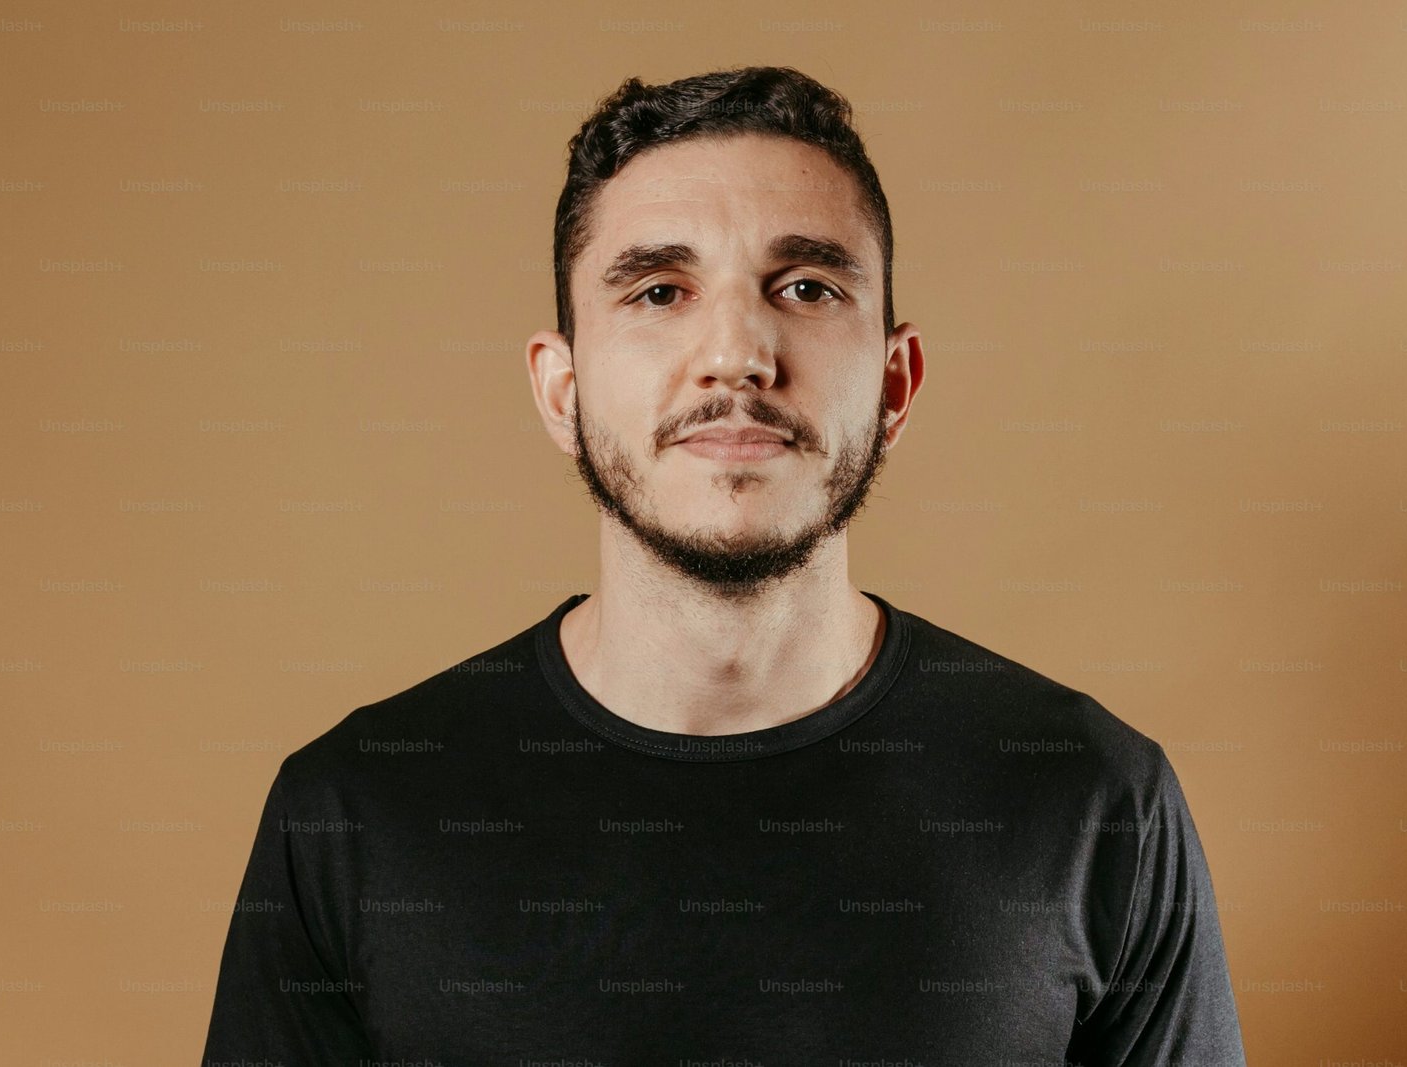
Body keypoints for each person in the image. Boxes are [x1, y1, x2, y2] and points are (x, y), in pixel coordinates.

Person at [202, 65, 1249, 1065]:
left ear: (894, 384)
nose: (737, 354)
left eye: (806, 286)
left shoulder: (1089, 798)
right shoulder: (355, 812)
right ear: (562, 391)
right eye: (659, 291)